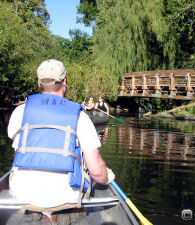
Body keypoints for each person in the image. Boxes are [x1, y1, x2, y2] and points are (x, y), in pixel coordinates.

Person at [7, 59, 115, 221]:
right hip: (66, 198)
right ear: (64, 82)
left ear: (39, 83)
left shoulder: (19, 112)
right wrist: (107, 177)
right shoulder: (80, 117)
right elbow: (97, 173)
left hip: (23, 194)